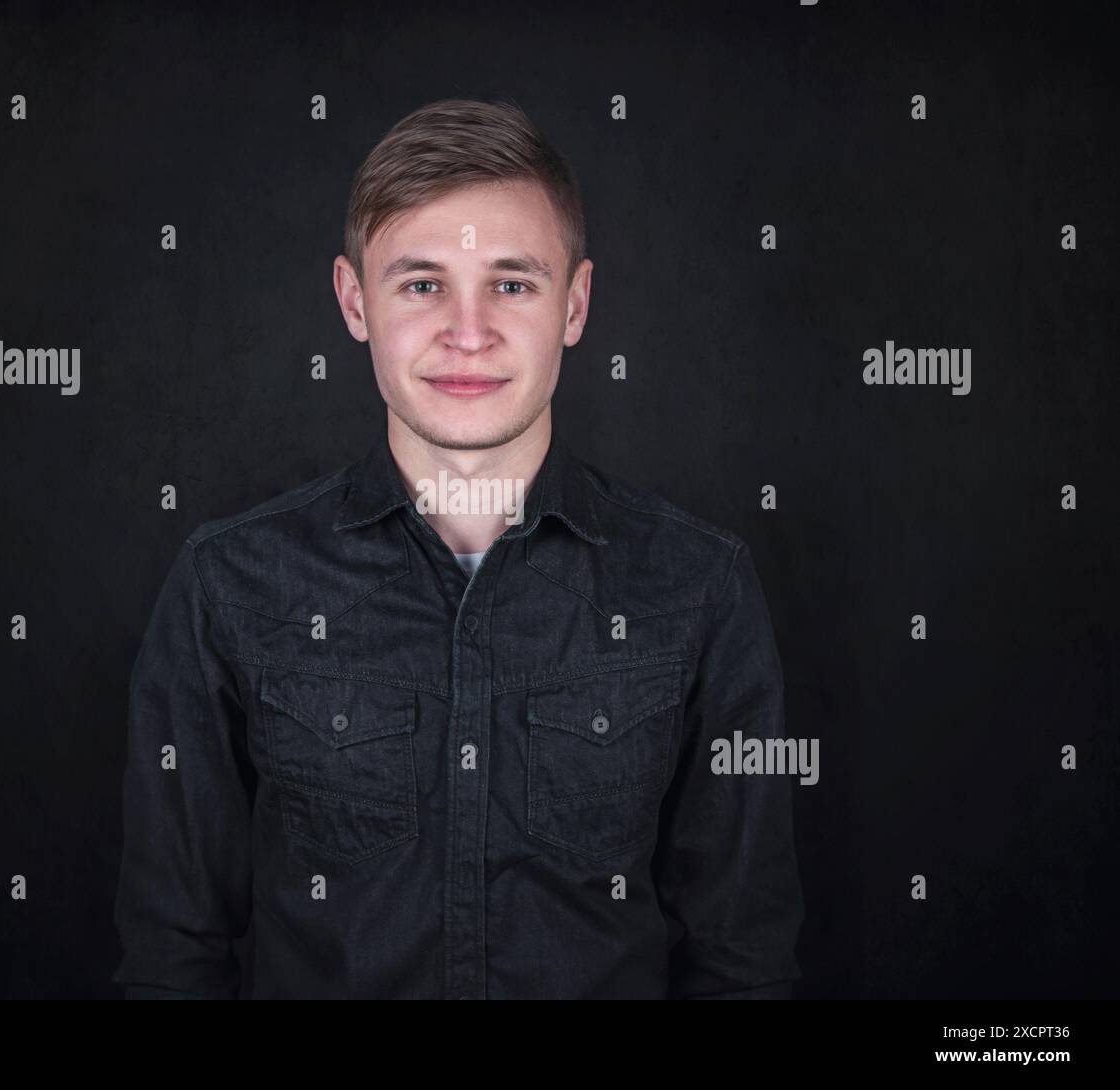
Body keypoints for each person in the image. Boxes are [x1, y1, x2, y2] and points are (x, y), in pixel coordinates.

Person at [112, 98, 804, 999]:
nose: (467, 332)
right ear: (355, 301)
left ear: (576, 304)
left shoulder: (700, 586)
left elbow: (742, 957)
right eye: (421, 283)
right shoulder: (226, 585)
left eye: (512, 283)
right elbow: (173, 955)